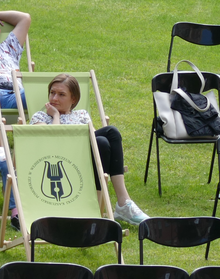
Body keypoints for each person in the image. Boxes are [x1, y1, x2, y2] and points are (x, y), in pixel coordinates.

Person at [30, 74, 150, 226]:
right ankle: (97, 207)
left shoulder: (81, 115)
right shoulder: (40, 117)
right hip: (60, 163)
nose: (54, 98)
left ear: (73, 99)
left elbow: (93, 138)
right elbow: (54, 141)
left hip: (86, 159)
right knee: (101, 142)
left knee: (109, 134)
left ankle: (123, 201)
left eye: (61, 95)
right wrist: (55, 116)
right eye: (52, 92)